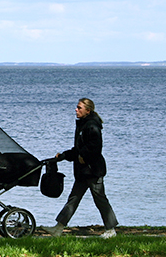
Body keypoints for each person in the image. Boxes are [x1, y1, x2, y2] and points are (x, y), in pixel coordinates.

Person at [41, 98, 118, 238]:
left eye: (79, 108)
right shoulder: (83, 124)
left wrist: (84, 155)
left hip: (93, 170)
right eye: (77, 107)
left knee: (100, 199)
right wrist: (63, 156)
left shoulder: (92, 125)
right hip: (83, 172)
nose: (76, 110)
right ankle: (58, 228)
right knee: (73, 199)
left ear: (87, 110)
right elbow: (78, 149)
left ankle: (111, 230)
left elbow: (96, 147)